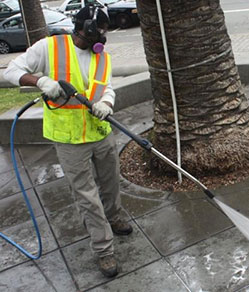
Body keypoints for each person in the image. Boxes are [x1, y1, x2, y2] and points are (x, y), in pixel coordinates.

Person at [3, 6, 132, 278]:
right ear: (81, 28)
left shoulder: (101, 56)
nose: (100, 40)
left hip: (100, 131)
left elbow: (106, 85)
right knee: (86, 195)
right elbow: (12, 70)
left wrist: (107, 102)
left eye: (104, 34)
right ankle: (104, 249)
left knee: (111, 182)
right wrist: (41, 81)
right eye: (96, 34)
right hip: (69, 139)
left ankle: (116, 216)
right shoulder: (49, 47)